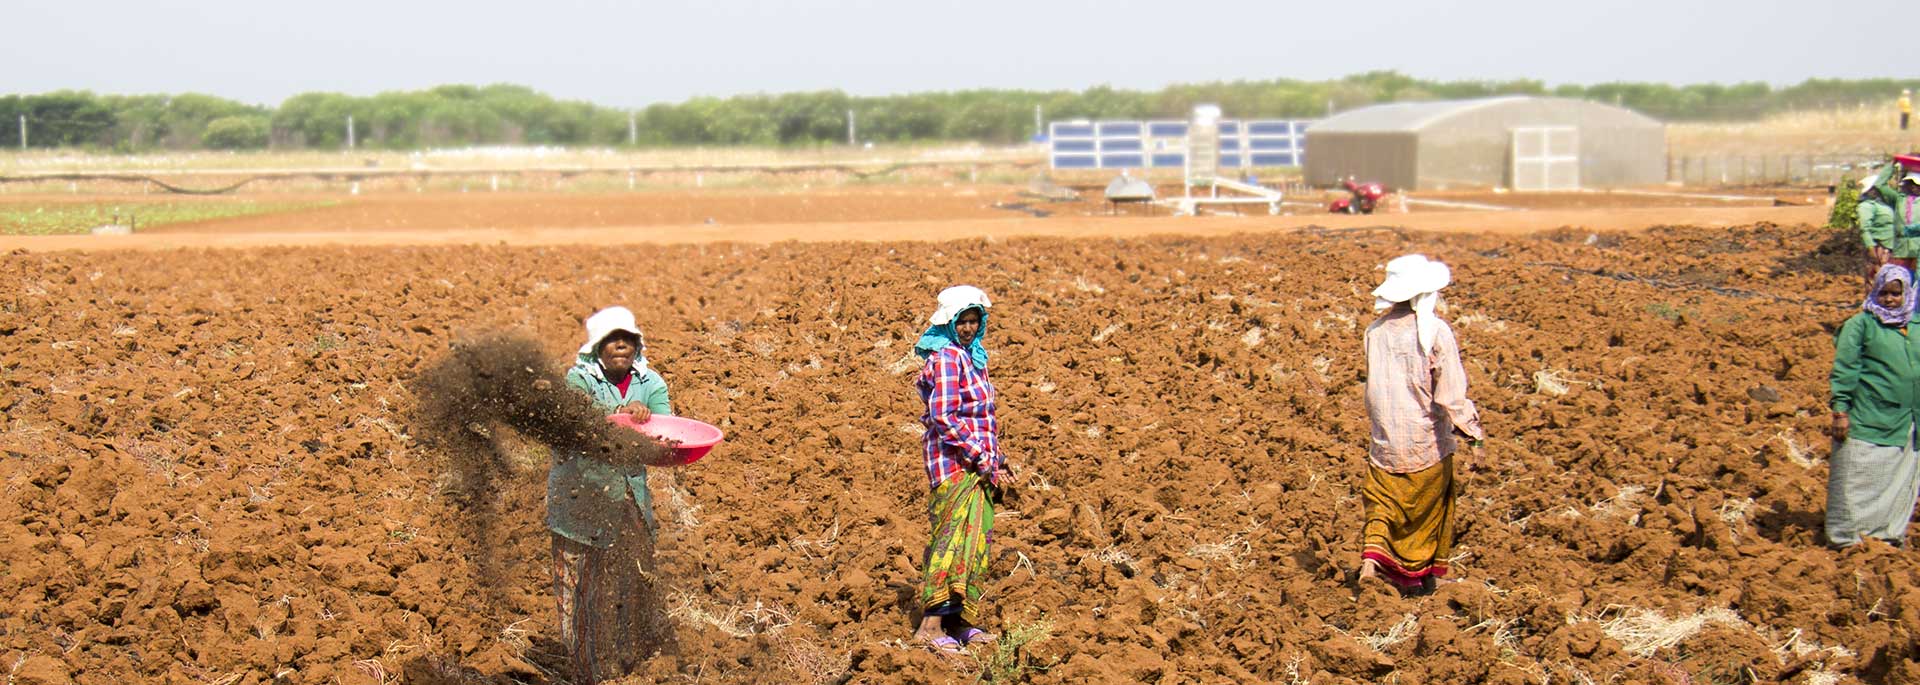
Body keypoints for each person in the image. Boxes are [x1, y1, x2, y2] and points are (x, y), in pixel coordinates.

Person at [547, 305, 675, 683]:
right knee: (580, 589)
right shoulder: (578, 380)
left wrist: (646, 418)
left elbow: (667, 434)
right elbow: (576, 420)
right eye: (611, 340)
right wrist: (617, 417)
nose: (620, 346)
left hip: (629, 499)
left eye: (627, 339)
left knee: (632, 582)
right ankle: (585, 670)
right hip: (580, 502)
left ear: (637, 345)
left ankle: (630, 664)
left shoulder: (651, 384)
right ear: (597, 347)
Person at [1358, 255, 1484, 594]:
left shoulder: (1375, 332)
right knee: (1428, 512)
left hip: (1383, 442)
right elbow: (1450, 395)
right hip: (1425, 444)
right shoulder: (1436, 332)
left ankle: (1371, 562)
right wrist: (1472, 432)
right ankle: (1417, 580)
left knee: (1382, 506)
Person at [910, 285, 1015, 656]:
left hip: (979, 464)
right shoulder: (948, 359)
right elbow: (944, 418)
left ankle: (959, 622)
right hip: (954, 465)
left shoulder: (973, 358)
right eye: (962, 321)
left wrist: (996, 456)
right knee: (950, 541)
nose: (969, 327)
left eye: (974, 320)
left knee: (974, 545)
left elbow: (984, 417)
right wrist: (981, 458)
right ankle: (930, 625)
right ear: (950, 322)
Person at [1826, 265, 1920, 548]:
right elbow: (1845, 369)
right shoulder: (1861, 325)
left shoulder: (1915, 327)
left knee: (1899, 479)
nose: (1890, 299)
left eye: (1896, 294)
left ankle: (1888, 535)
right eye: (1884, 293)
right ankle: (1848, 538)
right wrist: (1841, 411)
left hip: (1908, 419)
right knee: (1859, 476)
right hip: (1871, 415)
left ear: (1907, 294)